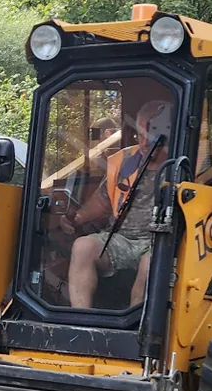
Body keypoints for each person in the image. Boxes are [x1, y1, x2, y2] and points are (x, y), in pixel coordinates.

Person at [67, 99, 174, 309]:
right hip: (121, 239)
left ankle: (136, 331)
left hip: (160, 242)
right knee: (83, 247)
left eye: (149, 137)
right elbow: (102, 200)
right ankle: (81, 324)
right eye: (139, 135)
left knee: (150, 264)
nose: (142, 143)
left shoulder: (184, 164)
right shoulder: (125, 161)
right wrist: (76, 218)